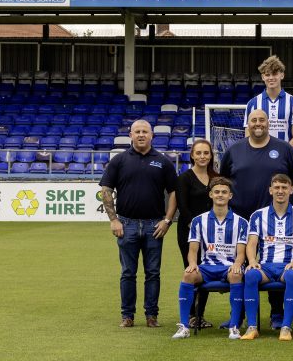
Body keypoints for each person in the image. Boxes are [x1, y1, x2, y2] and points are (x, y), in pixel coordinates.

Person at [220, 109, 293, 328]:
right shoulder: (233, 150)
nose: (258, 123)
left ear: (269, 123)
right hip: (240, 219)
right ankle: (239, 315)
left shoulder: (284, 149)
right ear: (247, 123)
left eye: (262, 120)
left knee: (275, 262)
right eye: (253, 120)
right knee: (241, 266)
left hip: (274, 219)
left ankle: (277, 314)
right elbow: (223, 181)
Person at [100, 118, 178, 328]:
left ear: (152, 135)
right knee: (128, 273)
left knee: (153, 273)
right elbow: (106, 190)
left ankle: (152, 316)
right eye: (137, 132)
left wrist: (167, 220)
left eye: (145, 131)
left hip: (155, 226)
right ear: (131, 136)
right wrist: (114, 220)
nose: (141, 135)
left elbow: (174, 193)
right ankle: (128, 316)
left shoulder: (163, 161)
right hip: (127, 225)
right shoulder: (119, 160)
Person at [172, 177, 249, 340]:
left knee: (236, 274)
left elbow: (241, 253)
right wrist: (192, 264)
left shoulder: (241, 222)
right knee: (188, 275)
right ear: (210, 195)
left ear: (230, 196)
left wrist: (237, 264)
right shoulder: (198, 221)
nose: (220, 195)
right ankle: (184, 326)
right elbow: (192, 250)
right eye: (217, 192)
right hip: (207, 267)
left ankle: (234, 326)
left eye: (224, 192)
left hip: (229, 267)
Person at [239, 174, 293, 341]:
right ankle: (252, 327)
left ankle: (286, 327)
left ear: (291, 190)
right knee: (250, 274)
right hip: (265, 266)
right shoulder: (258, 215)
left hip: (288, 265)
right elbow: (251, 243)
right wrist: (252, 261)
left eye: (284, 188)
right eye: (277, 187)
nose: (280, 191)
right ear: (270, 190)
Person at [175, 138, 218, 328]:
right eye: (198, 153)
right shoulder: (184, 178)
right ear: (192, 155)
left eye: (206, 153)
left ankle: (200, 315)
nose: (202, 156)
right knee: (192, 270)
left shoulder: (216, 178)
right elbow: (183, 208)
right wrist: (197, 227)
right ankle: (191, 315)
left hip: (212, 234)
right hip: (189, 232)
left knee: (206, 270)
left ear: (211, 156)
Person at [244, 54, 293, 148]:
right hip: (260, 156)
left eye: (275, 74)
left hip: (284, 158)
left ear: (282, 75)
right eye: (267, 75)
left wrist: (284, 154)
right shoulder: (252, 104)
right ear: (263, 77)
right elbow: (248, 135)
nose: (271, 78)